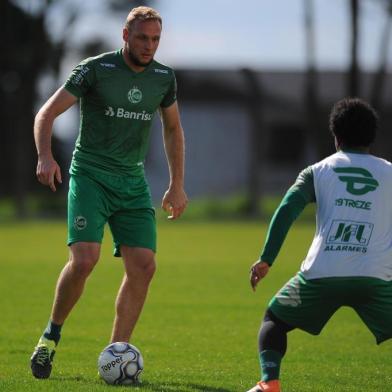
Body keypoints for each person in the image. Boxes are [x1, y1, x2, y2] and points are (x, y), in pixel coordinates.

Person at [30, 6, 188, 379]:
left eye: (155, 39)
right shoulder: (95, 69)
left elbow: (173, 129)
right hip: (91, 176)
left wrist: (177, 184)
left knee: (144, 266)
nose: (149, 46)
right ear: (125, 36)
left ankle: (115, 354)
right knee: (85, 260)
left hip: (131, 182)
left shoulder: (164, 78)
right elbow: (46, 114)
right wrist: (44, 157)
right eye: (142, 38)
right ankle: (50, 337)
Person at [246, 97, 392, 392]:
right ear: (372, 137)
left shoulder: (317, 171)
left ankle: (269, 383)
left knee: (274, 319)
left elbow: (286, 211)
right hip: (377, 276)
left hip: (322, 274)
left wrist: (266, 259)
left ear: (336, 137)